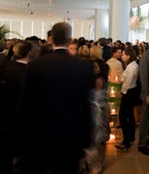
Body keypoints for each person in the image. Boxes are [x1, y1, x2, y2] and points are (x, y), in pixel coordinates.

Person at [17, 22, 93, 173]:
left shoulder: (35, 65)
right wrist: (85, 142)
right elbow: (87, 107)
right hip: (70, 134)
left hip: (39, 134)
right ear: (70, 40)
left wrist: (21, 138)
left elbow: (25, 103)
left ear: (51, 39)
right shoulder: (82, 66)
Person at [0, 40, 32, 173]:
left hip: (2, 117)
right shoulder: (30, 72)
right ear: (29, 53)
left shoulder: (4, 67)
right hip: (20, 117)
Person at [88, 59, 110, 173]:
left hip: (98, 111)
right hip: (100, 109)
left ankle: (99, 162)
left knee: (99, 138)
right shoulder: (100, 78)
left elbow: (96, 96)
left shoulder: (98, 80)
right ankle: (99, 161)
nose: (93, 69)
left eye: (95, 67)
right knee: (99, 138)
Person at [116, 48, 139, 151]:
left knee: (123, 116)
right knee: (129, 115)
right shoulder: (132, 65)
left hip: (129, 92)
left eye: (124, 54)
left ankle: (126, 141)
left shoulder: (131, 67)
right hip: (131, 92)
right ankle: (130, 138)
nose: (122, 56)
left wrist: (122, 91)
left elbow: (128, 82)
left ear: (129, 56)